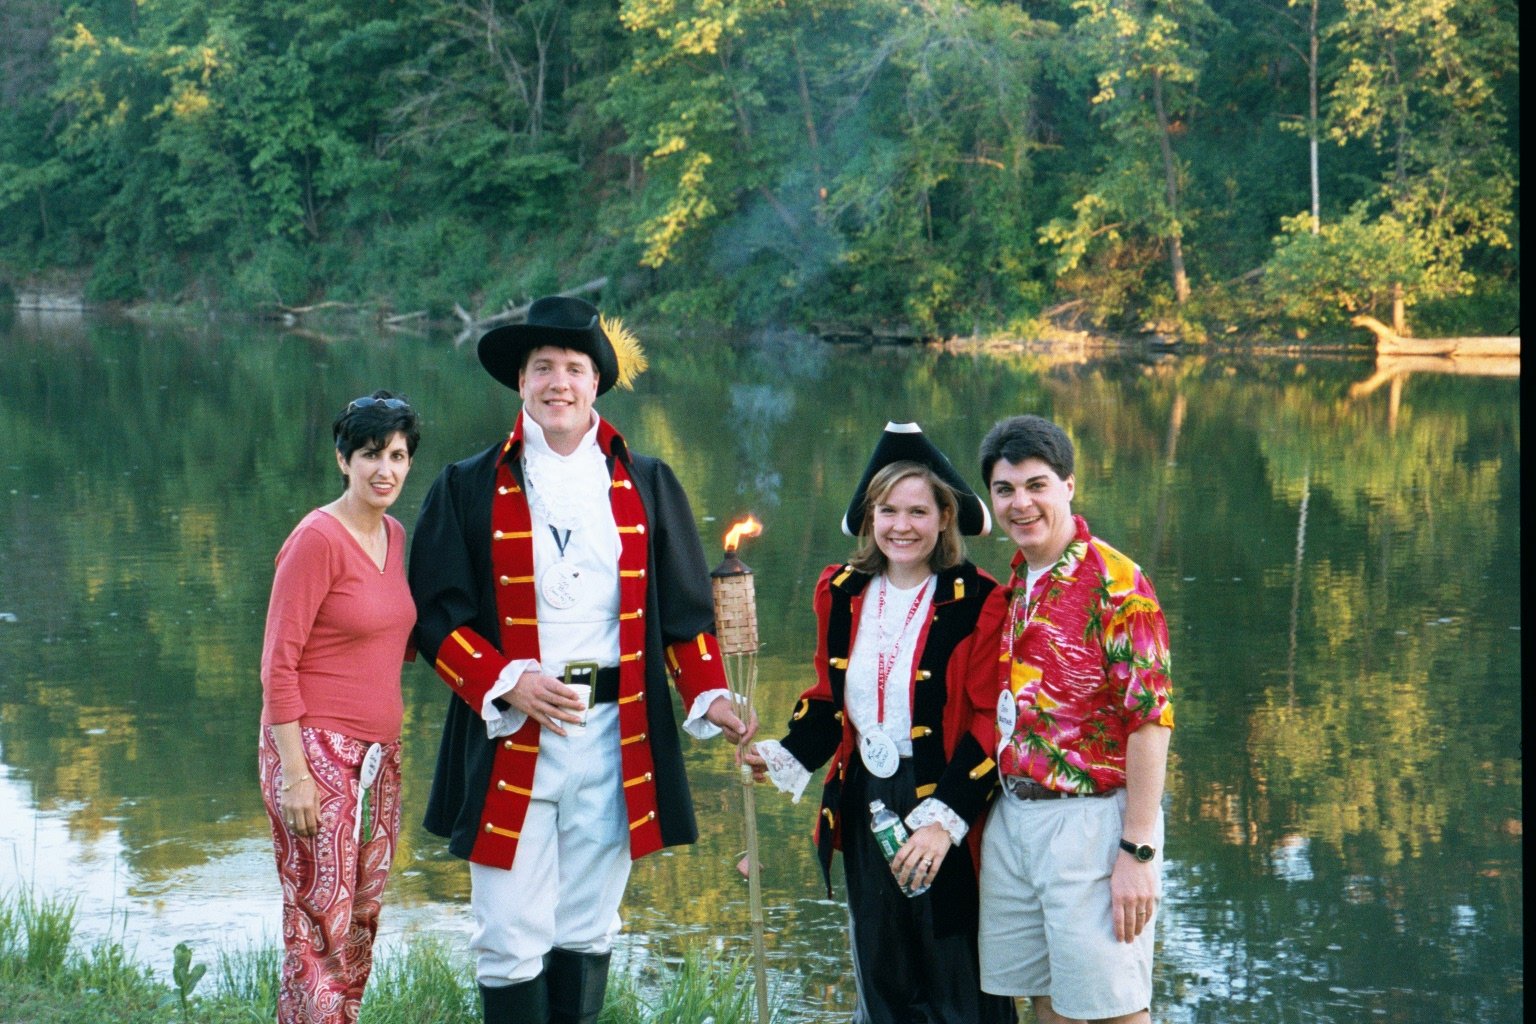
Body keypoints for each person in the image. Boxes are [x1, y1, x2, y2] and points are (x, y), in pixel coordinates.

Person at [408, 296, 756, 1024]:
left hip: (613, 740)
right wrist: (509, 681)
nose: (558, 383)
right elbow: (438, 620)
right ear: (521, 383)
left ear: (597, 382)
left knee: (589, 929)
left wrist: (711, 696)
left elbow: (686, 621)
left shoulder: (649, 483)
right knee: (507, 935)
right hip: (512, 737)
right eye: (543, 369)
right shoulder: (465, 485)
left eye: (573, 368)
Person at [744, 422, 1016, 1024]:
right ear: (870, 516)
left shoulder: (981, 599)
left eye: (918, 511)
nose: (901, 525)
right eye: (887, 509)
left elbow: (989, 724)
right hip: (866, 800)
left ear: (946, 517)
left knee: (958, 986)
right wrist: (784, 754)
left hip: (945, 803)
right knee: (882, 977)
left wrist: (943, 826)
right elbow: (828, 700)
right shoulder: (840, 591)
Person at [976, 414, 1175, 1024]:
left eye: (1036, 485)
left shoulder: (1118, 584)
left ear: (1068, 484)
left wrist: (1136, 851)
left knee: (1114, 1009)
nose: (1021, 503)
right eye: (1005, 490)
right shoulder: (1014, 582)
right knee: (1048, 1004)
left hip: (1091, 823)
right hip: (1014, 817)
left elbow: (1150, 720)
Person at [258, 391, 421, 1024]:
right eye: (371, 454)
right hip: (314, 753)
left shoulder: (396, 535)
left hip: (381, 758)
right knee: (317, 917)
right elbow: (277, 663)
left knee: (360, 914)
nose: (386, 469)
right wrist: (295, 774)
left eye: (399, 456)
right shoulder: (316, 539)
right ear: (342, 460)